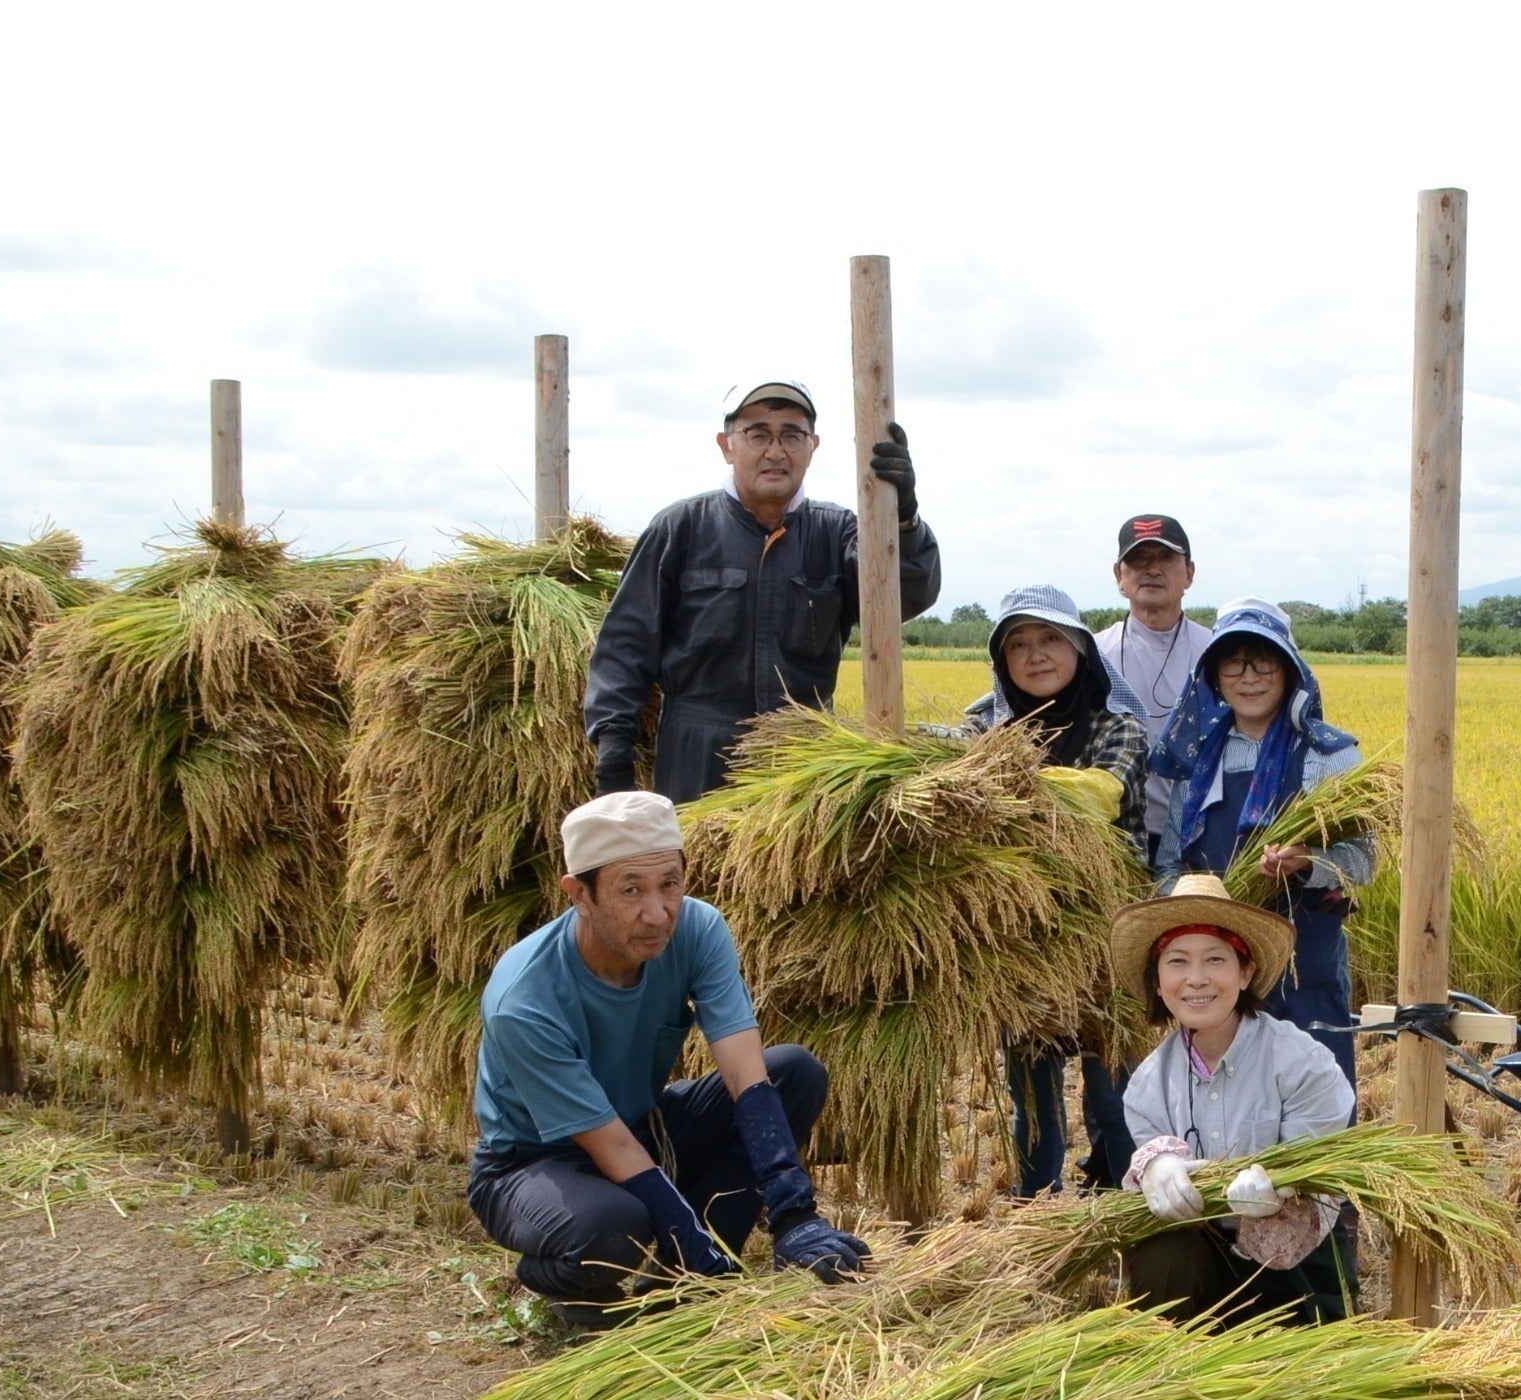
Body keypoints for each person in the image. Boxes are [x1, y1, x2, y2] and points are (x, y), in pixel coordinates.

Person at [467, 792, 874, 1333]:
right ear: (579, 894)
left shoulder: (699, 929)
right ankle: (561, 1274)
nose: (657, 913)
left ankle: (691, 1270)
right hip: (534, 1163)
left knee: (793, 1072)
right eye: (630, 890)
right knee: (612, 1229)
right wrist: (686, 1232)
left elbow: (744, 1072)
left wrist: (792, 1210)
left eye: (670, 884)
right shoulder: (524, 998)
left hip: (642, 1127)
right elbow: (606, 1143)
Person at [583, 381, 943, 802]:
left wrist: (901, 519)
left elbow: (905, 598)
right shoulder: (680, 529)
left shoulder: (839, 532)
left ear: (813, 446)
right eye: (758, 434)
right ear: (727, 445)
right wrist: (613, 755)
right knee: (696, 868)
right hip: (698, 756)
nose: (776, 451)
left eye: (792, 434)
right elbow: (625, 647)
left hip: (803, 758)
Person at [963, 584, 1152, 1195]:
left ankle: (1129, 1211)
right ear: (1001, 661)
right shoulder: (982, 731)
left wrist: (1003, 783)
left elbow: (1098, 796)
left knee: (1115, 1089)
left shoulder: (1117, 729)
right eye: (1017, 644)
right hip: (1022, 938)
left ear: (1079, 649)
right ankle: (1034, 1211)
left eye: (1050, 639)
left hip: (1109, 932)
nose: (1035, 655)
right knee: (1032, 1093)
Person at [1111, 874, 1358, 1325]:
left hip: (1294, 1266)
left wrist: (1280, 1187)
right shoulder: (1147, 1086)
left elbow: (1316, 1173)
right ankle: (1171, 1365)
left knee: (1295, 1380)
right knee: (1161, 1250)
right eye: (1178, 961)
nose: (1196, 980)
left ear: (1245, 974)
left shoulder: (1304, 1064)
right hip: (1205, 1265)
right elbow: (1155, 1181)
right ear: (1158, 979)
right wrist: (1155, 1167)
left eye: (1216, 960)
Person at [1149, 598, 1372, 1085]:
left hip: (1305, 964)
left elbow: (1364, 862)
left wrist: (1308, 862)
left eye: (1264, 660)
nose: (1249, 676)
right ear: (1214, 677)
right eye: (1233, 662)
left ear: (1290, 670)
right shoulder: (1196, 766)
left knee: (1314, 1099)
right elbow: (1166, 867)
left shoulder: (1330, 757)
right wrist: (1193, 898)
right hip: (1216, 971)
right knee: (1224, 1106)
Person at [1096, 513, 1211, 848]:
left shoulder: (1217, 654)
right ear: (1119, 575)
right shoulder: (1093, 655)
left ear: (1189, 573)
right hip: (1112, 834)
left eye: (1166, 558)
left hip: (1196, 836)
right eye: (1138, 559)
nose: (1153, 569)